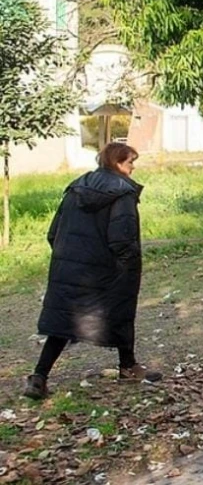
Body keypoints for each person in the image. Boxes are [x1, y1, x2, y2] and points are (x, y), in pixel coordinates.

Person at [25, 143, 161, 400]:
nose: (132, 168)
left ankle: (39, 377)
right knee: (121, 311)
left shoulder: (76, 187)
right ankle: (128, 368)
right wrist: (127, 270)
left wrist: (72, 257)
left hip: (69, 267)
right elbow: (122, 241)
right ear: (118, 163)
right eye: (130, 162)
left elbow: (53, 233)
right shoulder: (123, 193)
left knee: (63, 321)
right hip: (108, 269)